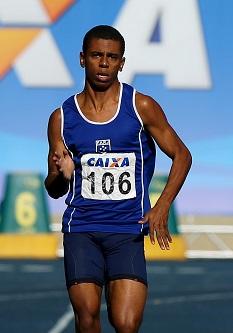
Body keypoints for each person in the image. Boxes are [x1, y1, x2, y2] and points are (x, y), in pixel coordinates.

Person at [45, 25, 192, 333]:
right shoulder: (62, 117)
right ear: (83, 59)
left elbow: (182, 155)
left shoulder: (141, 107)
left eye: (112, 57)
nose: (104, 63)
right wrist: (61, 172)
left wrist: (162, 206)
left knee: (125, 323)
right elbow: (54, 189)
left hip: (127, 229)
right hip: (82, 229)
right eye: (97, 55)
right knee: (86, 317)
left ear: (122, 63)